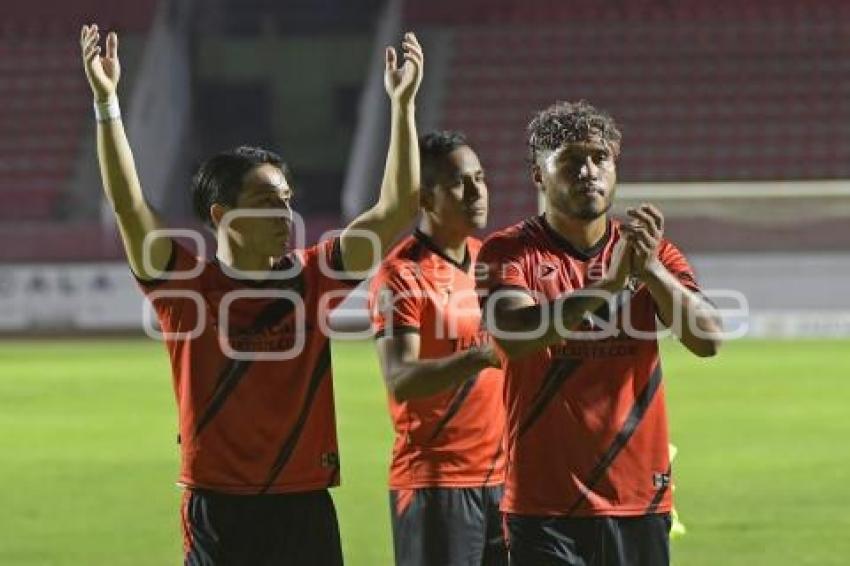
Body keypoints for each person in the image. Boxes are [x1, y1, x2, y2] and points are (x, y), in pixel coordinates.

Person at [80, 23, 424, 565]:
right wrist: (107, 104)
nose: (284, 214)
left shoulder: (315, 278)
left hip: (304, 502)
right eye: (266, 201)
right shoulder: (186, 286)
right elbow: (129, 206)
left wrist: (402, 107)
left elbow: (398, 208)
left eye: (287, 199)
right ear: (223, 214)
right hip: (220, 507)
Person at [475, 100, 723, 566]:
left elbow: (708, 339)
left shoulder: (651, 253)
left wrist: (649, 271)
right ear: (538, 177)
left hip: (639, 499)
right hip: (544, 504)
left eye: (600, 158)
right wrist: (605, 288)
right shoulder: (509, 251)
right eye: (571, 161)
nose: (589, 170)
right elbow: (515, 333)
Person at [369, 131, 507, 566]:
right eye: (459, 182)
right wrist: (481, 354)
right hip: (436, 484)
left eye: (480, 178)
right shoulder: (401, 276)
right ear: (425, 198)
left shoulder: (494, 264)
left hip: (505, 482)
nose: (476, 191)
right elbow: (401, 378)